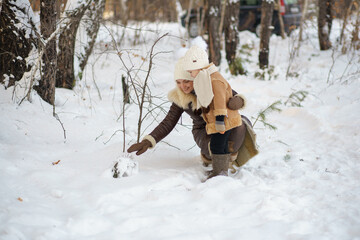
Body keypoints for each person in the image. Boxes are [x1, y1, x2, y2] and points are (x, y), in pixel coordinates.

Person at [127, 55, 258, 178]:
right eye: (178, 82)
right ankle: (212, 159)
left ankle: (229, 160)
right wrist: (148, 141)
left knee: (240, 124)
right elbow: (167, 123)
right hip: (203, 132)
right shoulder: (181, 98)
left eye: (186, 81)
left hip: (222, 124)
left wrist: (237, 101)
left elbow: (232, 94)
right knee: (215, 144)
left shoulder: (212, 86)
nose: (182, 86)